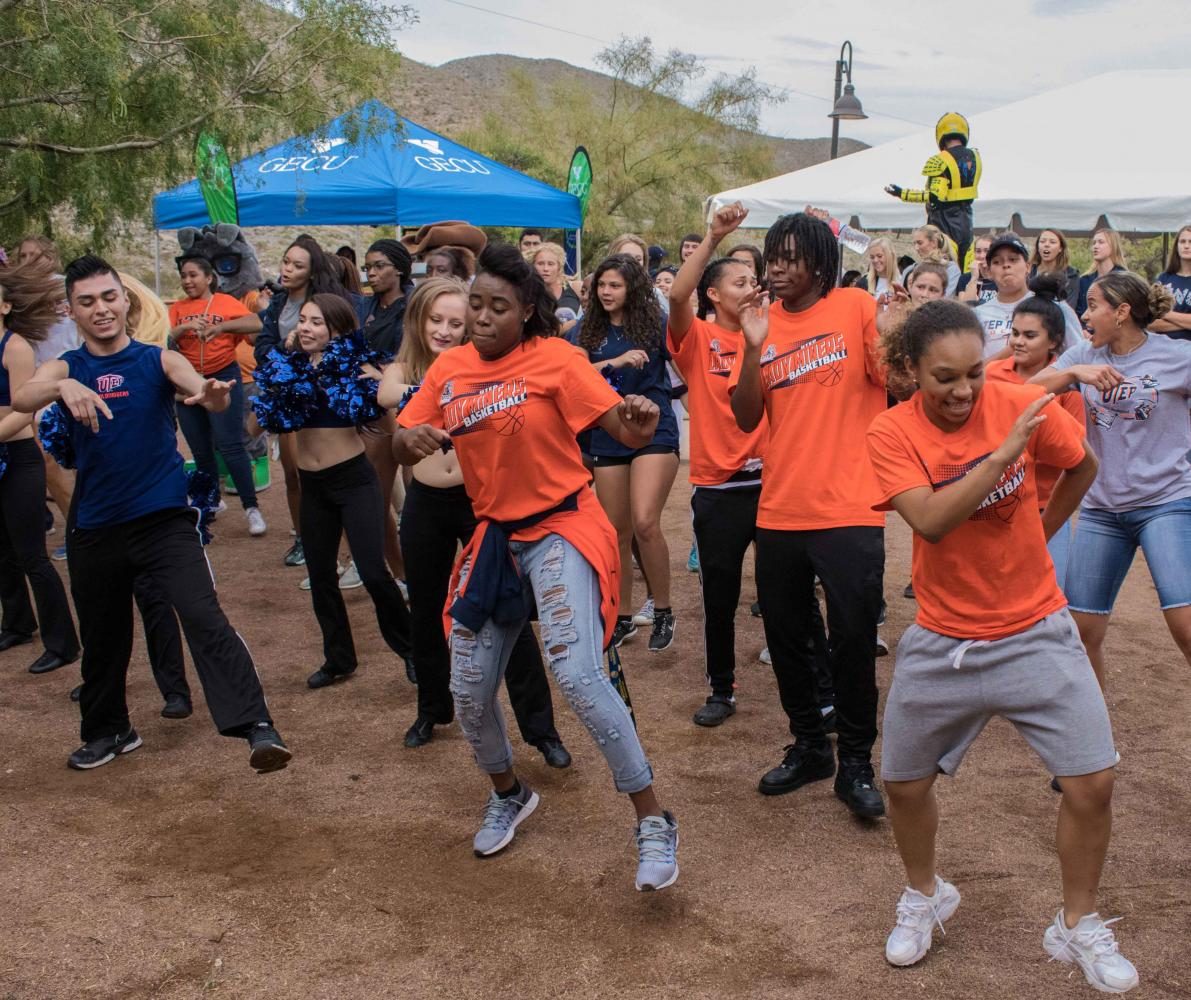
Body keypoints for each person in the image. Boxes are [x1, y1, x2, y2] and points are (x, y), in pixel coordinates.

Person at [866, 298, 1135, 994]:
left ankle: (1075, 922)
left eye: (973, 377)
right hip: (942, 638)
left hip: (1034, 628)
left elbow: (1080, 467)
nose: (962, 392)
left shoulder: (1016, 402)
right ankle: (926, 894)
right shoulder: (888, 433)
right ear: (907, 373)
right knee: (901, 782)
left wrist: (1039, 531)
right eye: (943, 378)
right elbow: (928, 520)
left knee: (1092, 781)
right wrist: (1002, 456)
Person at [393, 244, 679, 891]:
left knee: (576, 672)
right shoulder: (450, 370)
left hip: (560, 524)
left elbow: (623, 428)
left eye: (500, 307)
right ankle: (509, 792)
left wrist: (638, 420)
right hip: (496, 535)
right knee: (466, 686)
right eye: (476, 305)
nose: (484, 317)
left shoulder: (555, 359)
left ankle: (653, 820)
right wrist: (407, 437)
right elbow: (405, 432)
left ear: (526, 311)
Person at [15, 256, 290, 773]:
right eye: (88, 301)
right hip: (95, 526)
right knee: (103, 638)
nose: (101, 309)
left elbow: (194, 386)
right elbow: (23, 393)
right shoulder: (69, 366)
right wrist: (63, 387)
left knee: (203, 615)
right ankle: (111, 730)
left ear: (126, 300)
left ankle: (256, 726)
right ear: (72, 311)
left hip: (164, 520)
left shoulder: (155, 360)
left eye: (109, 297)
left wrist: (208, 395)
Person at [729, 212, 886, 817]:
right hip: (781, 507)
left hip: (850, 504)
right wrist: (751, 344)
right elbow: (746, 417)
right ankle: (809, 746)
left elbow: (891, 376)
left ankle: (856, 764)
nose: (778, 267)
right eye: (773, 256)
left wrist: (897, 320)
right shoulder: (762, 325)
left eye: (792, 257)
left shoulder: (853, 307)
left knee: (851, 639)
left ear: (820, 261)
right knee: (787, 637)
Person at [377, 278, 571, 766]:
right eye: (435, 320)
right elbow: (386, 396)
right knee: (425, 609)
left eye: (456, 322)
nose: (445, 329)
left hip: (478, 501)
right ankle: (431, 710)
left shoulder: (482, 370)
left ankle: (541, 730)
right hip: (425, 501)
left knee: (508, 609)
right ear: (418, 321)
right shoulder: (407, 370)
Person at [1032, 271, 1191, 690]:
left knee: (1186, 624)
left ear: (1121, 312)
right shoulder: (1085, 355)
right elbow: (1026, 391)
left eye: (1094, 305)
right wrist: (1075, 373)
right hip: (1103, 509)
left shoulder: (1177, 357)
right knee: (1082, 633)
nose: (1084, 315)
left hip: (1167, 501)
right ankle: (1095, 738)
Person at [258, 293, 414, 690]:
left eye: (316, 322)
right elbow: (263, 422)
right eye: (303, 320)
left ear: (337, 330)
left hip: (353, 480)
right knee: (321, 575)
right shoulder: (288, 368)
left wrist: (383, 383)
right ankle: (339, 658)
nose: (305, 328)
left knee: (374, 572)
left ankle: (413, 650)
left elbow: (389, 409)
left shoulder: (353, 367)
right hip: (314, 487)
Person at [667, 203, 768, 726]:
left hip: (774, 484)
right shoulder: (698, 338)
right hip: (720, 487)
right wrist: (712, 237)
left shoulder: (772, 333)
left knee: (783, 594)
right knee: (721, 595)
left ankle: (812, 690)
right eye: (738, 281)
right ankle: (721, 688)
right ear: (714, 294)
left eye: (755, 279)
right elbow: (677, 294)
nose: (750, 287)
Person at [578, 254, 680, 652]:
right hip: (607, 434)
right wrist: (615, 361)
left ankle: (664, 610)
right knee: (614, 532)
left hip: (654, 430)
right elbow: (575, 374)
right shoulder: (587, 330)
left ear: (632, 288)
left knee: (645, 522)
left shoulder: (657, 324)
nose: (606, 291)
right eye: (602, 284)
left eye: (615, 285)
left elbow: (688, 362)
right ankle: (622, 617)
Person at [0, 262, 80, 673]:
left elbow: (23, 411)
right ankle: (16, 623)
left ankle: (63, 642)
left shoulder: (15, 347)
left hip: (17, 458)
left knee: (32, 554)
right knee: (2, 552)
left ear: (6, 305)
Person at [984, 274, 1087, 584]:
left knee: (1048, 587)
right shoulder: (991, 375)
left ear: (1054, 341)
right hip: (988, 505)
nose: (1018, 342)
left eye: (1030, 335)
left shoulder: (1069, 390)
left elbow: (1074, 458)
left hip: (1043, 508)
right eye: (1014, 333)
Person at [255, 237, 350, 567]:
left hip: (322, 396)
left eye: (297, 265)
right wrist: (287, 348)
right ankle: (303, 539)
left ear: (311, 273)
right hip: (287, 391)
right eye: (285, 261)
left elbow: (344, 342)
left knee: (329, 473)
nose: (287, 269)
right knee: (293, 473)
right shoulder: (278, 303)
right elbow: (262, 347)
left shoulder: (322, 302)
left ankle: (350, 551)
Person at [168, 255, 266, 537]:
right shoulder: (177, 308)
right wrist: (185, 327)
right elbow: (164, 338)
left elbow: (257, 326)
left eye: (193, 275)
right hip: (188, 381)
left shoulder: (227, 303)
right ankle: (211, 502)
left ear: (209, 277)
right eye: (184, 276)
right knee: (200, 450)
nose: (188, 281)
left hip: (224, 376)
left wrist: (222, 327)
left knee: (231, 444)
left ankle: (252, 508)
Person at [885, 112, 982, 269]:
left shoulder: (940, 160)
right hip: (966, 221)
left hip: (944, 222)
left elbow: (935, 195)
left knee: (941, 270)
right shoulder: (976, 157)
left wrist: (903, 194)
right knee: (965, 271)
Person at [976, 234, 1082, 359]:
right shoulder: (977, 315)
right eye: (997, 262)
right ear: (989, 272)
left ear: (1028, 267)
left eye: (1013, 259)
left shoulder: (1054, 306)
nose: (1006, 265)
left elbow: (1079, 354)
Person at [1075, 229, 1128, 317]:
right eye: (1094, 243)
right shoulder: (1084, 280)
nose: (1095, 246)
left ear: (1113, 246)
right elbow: (1079, 311)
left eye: (1101, 242)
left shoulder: (1124, 279)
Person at [1152, 223, 1191, 340]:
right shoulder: (1164, 278)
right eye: (1182, 241)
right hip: (1164, 348)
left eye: (1190, 242)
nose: (1187, 246)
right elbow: (1151, 322)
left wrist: (1166, 314)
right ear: (1176, 246)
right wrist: (1186, 324)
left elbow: (1160, 314)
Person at [1029, 229, 1080, 311]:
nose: (1046, 245)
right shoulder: (1028, 272)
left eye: (1052, 242)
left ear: (1060, 248)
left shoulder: (1070, 275)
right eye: (1042, 241)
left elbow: (1069, 305)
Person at [908, 226, 961, 295]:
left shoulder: (950, 268)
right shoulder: (911, 269)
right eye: (914, 244)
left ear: (933, 242)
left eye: (920, 243)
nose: (916, 248)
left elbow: (945, 297)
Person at [955, 234, 997, 305]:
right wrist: (974, 278)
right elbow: (965, 307)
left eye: (987, 251)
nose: (982, 256)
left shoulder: (1000, 279)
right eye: (978, 251)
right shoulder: (965, 278)